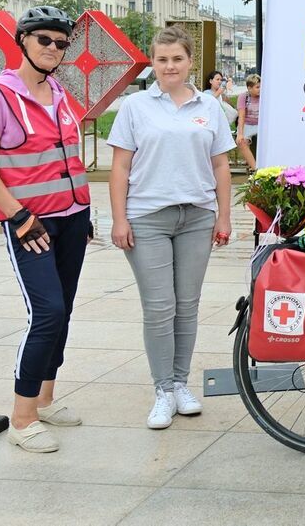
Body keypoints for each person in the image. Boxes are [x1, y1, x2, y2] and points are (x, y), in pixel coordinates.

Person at [0, 6, 92, 453]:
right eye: (44, 40)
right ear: (23, 40)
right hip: (29, 224)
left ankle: (44, 399)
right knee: (48, 314)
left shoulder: (58, 90)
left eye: (61, 43)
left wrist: (83, 210)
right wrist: (18, 216)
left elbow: (67, 159)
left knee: (66, 311)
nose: (54, 49)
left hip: (72, 218)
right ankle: (22, 418)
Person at [108, 25, 235, 430]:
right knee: (159, 308)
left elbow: (220, 166)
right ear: (153, 61)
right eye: (162, 60)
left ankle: (181, 383)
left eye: (177, 59)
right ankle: (162, 389)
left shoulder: (209, 107)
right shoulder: (135, 106)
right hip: (148, 218)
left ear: (190, 61)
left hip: (196, 217)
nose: (169, 66)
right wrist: (119, 218)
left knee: (187, 306)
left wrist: (224, 215)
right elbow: (120, 167)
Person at [236, 74, 261, 169]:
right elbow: (241, 116)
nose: (260, 89)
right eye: (257, 87)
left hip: (261, 124)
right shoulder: (243, 97)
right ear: (249, 88)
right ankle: (255, 168)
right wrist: (240, 134)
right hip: (248, 124)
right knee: (241, 142)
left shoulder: (265, 96)